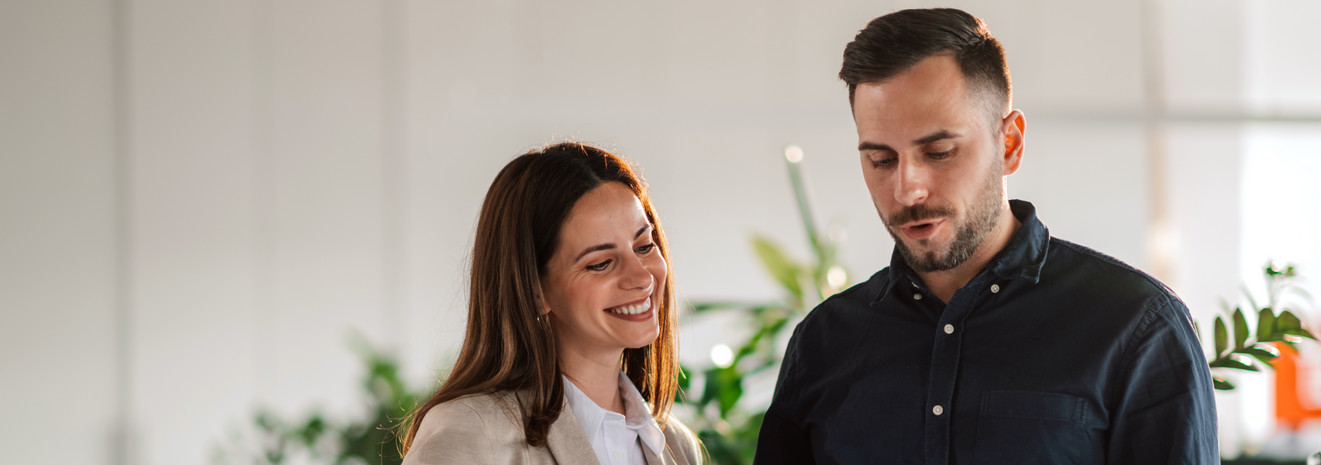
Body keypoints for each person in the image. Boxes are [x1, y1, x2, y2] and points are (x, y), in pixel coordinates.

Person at [754, 8, 1217, 464]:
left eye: (938, 152)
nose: (907, 188)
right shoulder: (824, 343)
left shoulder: (1138, 328)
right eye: (881, 160)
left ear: (1010, 143)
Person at [399, 143, 703, 465]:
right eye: (600, 263)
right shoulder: (471, 434)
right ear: (534, 290)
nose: (642, 278)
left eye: (643, 246)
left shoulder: (677, 447)